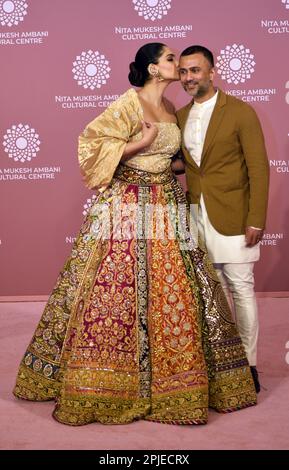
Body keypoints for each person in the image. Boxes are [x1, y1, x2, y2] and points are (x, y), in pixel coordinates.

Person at [14, 43, 257, 426]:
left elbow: (172, 160)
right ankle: (111, 383)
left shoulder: (172, 111)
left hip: (168, 206)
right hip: (127, 207)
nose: (178, 64)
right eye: (170, 59)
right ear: (153, 69)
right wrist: (140, 144)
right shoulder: (129, 104)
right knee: (117, 294)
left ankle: (176, 383)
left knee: (174, 294)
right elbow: (91, 148)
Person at [177, 45, 270, 394]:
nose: (188, 78)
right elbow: (185, 165)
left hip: (233, 215)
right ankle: (219, 365)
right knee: (208, 294)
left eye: (195, 71)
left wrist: (256, 218)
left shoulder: (241, 112)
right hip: (196, 217)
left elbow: (259, 169)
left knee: (241, 290)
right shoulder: (181, 116)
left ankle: (249, 365)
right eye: (184, 72)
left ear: (212, 72)